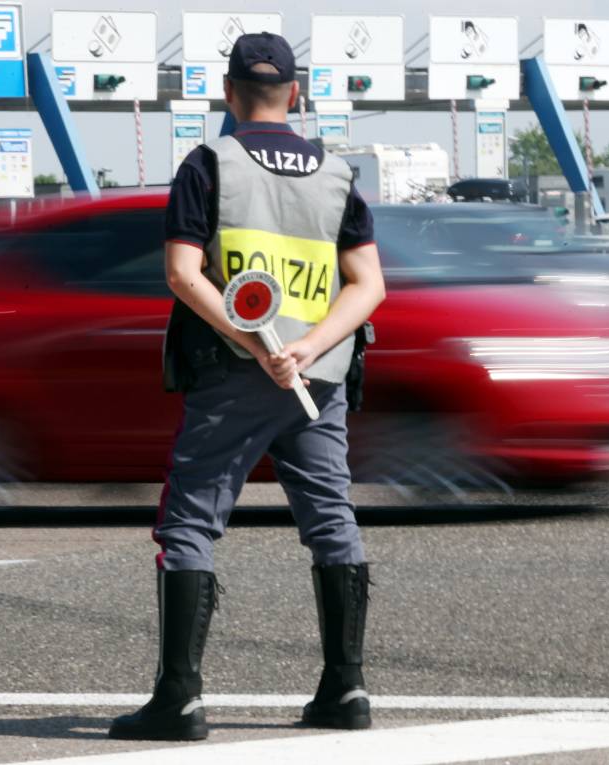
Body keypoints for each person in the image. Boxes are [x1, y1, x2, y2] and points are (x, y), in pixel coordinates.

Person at [108, 32, 386, 742]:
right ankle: (347, 688)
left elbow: (181, 272)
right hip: (316, 377)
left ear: (228, 95)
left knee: (190, 523)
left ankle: (180, 697)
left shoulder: (210, 164)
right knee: (331, 518)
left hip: (234, 372)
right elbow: (369, 284)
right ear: (295, 94)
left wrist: (249, 342)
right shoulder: (336, 172)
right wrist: (307, 347)